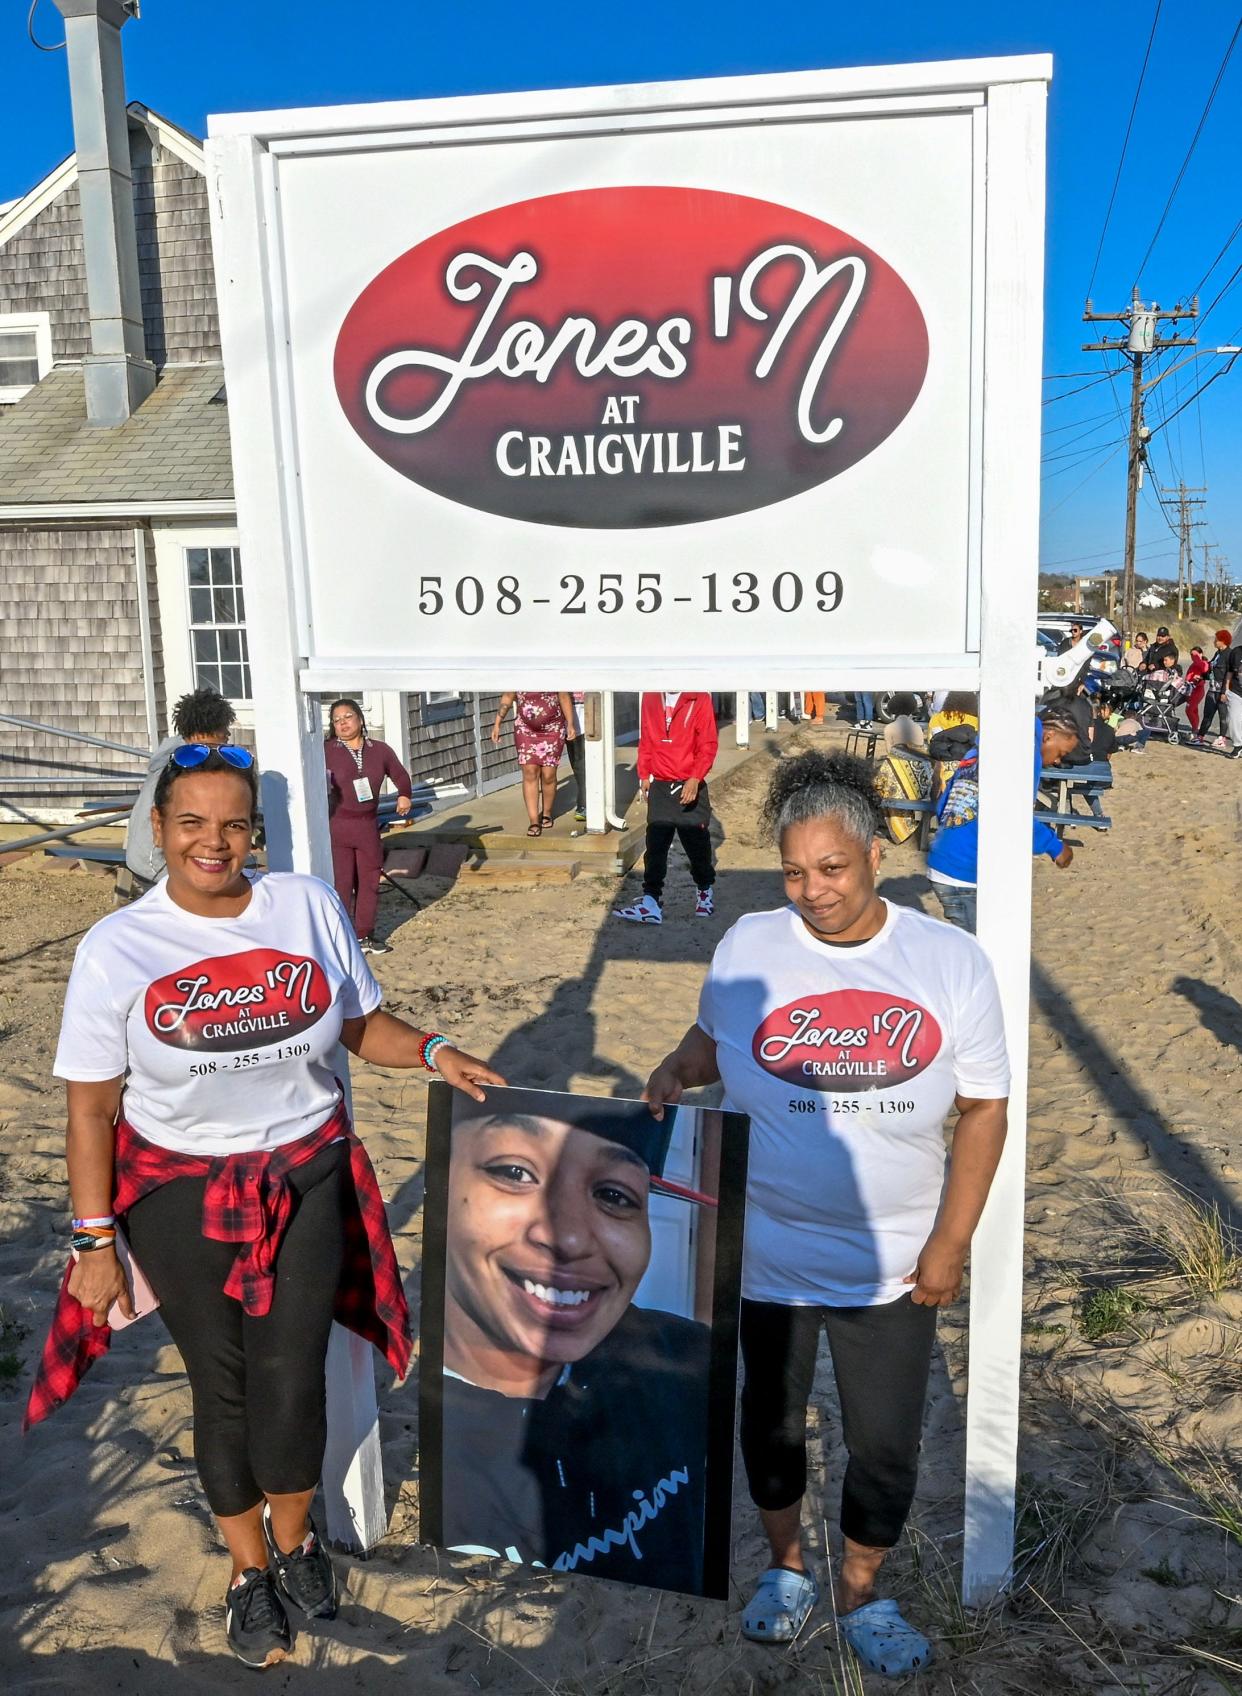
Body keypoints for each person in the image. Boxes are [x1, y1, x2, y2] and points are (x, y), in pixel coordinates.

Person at [25, 745, 504, 1667]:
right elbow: (90, 1106)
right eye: (192, 823)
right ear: (159, 831)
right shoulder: (118, 948)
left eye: (234, 823)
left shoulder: (306, 907)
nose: (215, 842)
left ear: (258, 831)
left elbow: (360, 1023)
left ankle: (296, 1541)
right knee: (226, 1387)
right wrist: (92, 1239)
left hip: (309, 1174)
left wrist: (437, 1049)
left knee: (292, 1377)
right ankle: (249, 1571)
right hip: (181, 1193)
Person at [643, 751, 1010, 1677]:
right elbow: (717, 1037)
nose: (812, 891)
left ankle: (862, 1590)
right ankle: (788, 1570)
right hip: (762, 1252)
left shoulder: (949, 960)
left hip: (893, 1263)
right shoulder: (748, 945)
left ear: (876, 855)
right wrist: (681, 1068)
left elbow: (985, 1108)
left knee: (885, 1448)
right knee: (768, 1430)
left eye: (832, 869)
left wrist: (951, 1241)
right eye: (796, 871)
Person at [438, 1090, 713, 1594]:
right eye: (514, 1172)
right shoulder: (429, 1434)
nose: (565, 1240)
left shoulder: (688, 1360)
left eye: (615, 1195)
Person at [925, 706, 1079, 933]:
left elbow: (943, 804)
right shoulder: (1026, 754)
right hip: (964, 871)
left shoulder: (984, 748)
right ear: (1048, 736)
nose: (1057, 761)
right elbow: (1014, 814)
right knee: (982, 951)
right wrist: (1054, 846)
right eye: (1061, 753)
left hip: (942, 858)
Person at [613, 691, 718, 925]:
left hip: (688, 782)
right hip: (660, 781)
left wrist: (695, 777)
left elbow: (708, 743)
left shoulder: (698, 698)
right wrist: (644, 773)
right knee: (656, 845)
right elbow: (647, 738)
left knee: (696, 844)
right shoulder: (650, 697)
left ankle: (704, 891)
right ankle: (651, 901)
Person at [324, 699, 413, 955]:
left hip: (367, 827)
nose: (342, 723)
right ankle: (342, 937)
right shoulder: (325, 750)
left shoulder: (380, 750)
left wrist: (404, 794)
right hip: (337, 826)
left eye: (347, 716)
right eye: (336, 719)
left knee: (369, 882)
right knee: (342, 884)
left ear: (360, 719)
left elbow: (400, 774)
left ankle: (365, 935)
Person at [124, 687, 237, 887]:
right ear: (204, 733)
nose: (227, 734)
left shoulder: (171, 754)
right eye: (223, 728)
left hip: (139, 860)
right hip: (158, 866)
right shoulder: (186, 767)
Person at [491, 692, 576, 836]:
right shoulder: (519, 673)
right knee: (530, 772)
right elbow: (507, 697)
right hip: (525, 730)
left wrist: (570, 724)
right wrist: (497, 723)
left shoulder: (552, 671)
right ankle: (534, 820)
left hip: (553, 728)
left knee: (548, 775)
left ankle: (547, 813)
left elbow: (564, 697)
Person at [1196, 631, 1237, 743]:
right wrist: (1202, 676)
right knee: (1207, 715)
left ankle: (1221, 738)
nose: (1214, 641)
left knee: (1223, 716)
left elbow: (1229, 674)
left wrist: (1225, 692)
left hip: (1222, 691)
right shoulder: (1218, 653)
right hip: (1212, 689)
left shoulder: (1230, 654)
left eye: (1216, 639)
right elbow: (1211, 669)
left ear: (1223, 641)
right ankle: (1200, 737)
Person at [565, 691, 587, 822]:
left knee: (583, 768)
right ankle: (585, 802)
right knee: (578, 768)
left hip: (589, 725)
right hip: (569, 728)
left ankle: (583, 805)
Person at [1183, 647, 1210, 736]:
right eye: (1191, 655)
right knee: (1193, 710)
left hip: (1198, 689)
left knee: (1189, 709)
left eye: (1195, 655)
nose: (1193, 657)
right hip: (1190, 689)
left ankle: (1195, 729)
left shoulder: (1204, 663)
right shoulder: (1193, 664)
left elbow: (1205, 670)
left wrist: (1198, 658)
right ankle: (1195, 728)